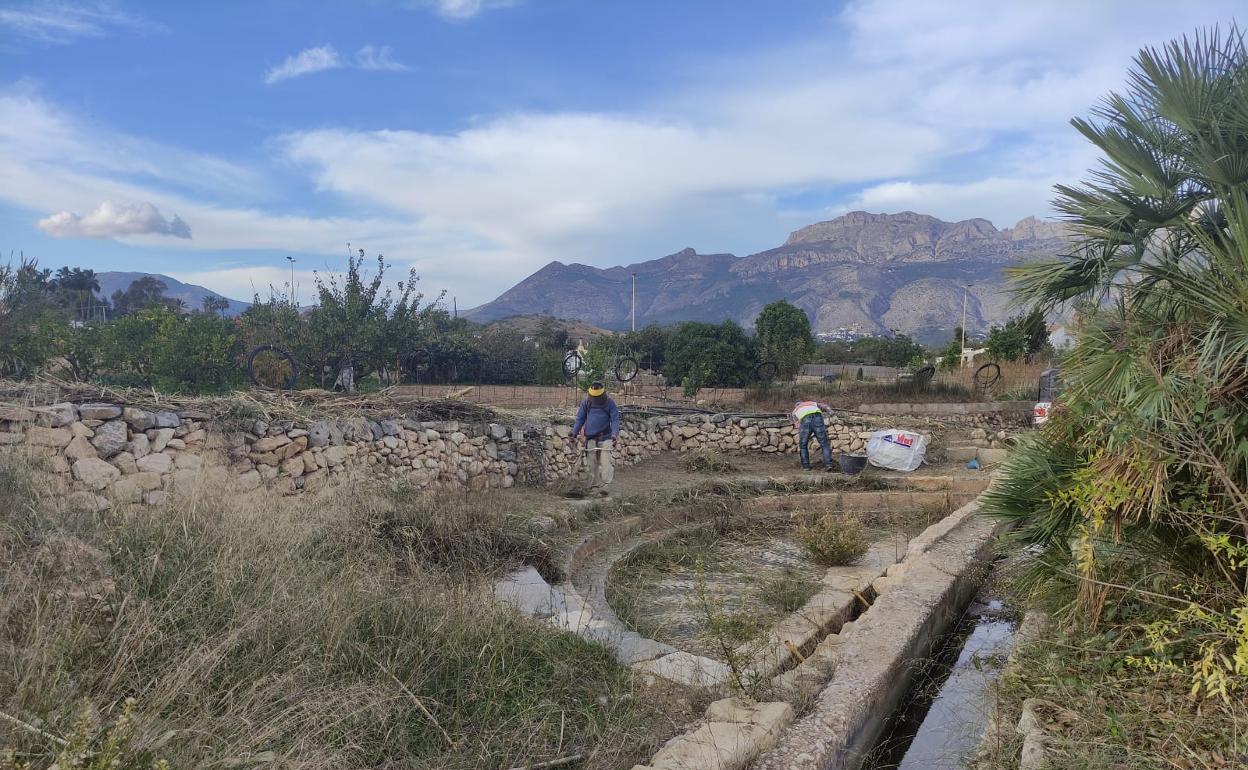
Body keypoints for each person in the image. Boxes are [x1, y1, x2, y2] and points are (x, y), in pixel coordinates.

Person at [572, 380, 621, 496]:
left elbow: (615, 420)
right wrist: (573, 432)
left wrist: (614, 434)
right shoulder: (586, 403)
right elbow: (580, 419)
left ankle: (605, 486)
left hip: (606, 437)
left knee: (605, 461)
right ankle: (593, 487)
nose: (595, 399)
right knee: (591, 463)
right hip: (591, 438)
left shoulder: (610, 403)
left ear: (602, 395)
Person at [791, 399, 834, 471]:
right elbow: (824, 406)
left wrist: (805, 433)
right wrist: (831, 412)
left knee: (803, 446)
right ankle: (828, 465)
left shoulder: (795, 411)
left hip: (805, 421)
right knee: (824, 444)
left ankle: (806, 466)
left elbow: (797, 425)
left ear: (796, 405)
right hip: (817, 418)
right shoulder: (811, 403)